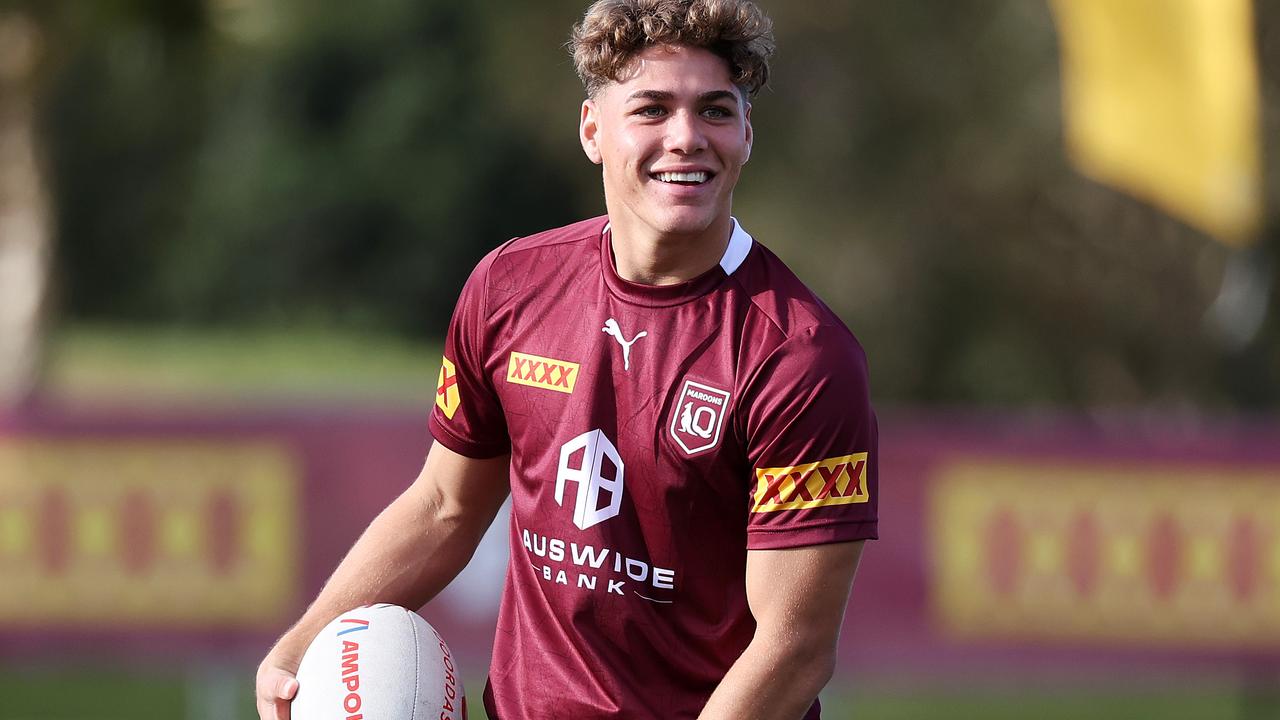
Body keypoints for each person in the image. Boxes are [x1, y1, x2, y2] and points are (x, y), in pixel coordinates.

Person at [256, 0, 877, 717]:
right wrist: (300, 646)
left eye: (714, 110)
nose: (686, 138)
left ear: (745, 134)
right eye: (651, 109)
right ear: (592, 131)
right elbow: (444, 507)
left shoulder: (801, 358)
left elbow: (792, 648)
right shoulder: (508, 289)